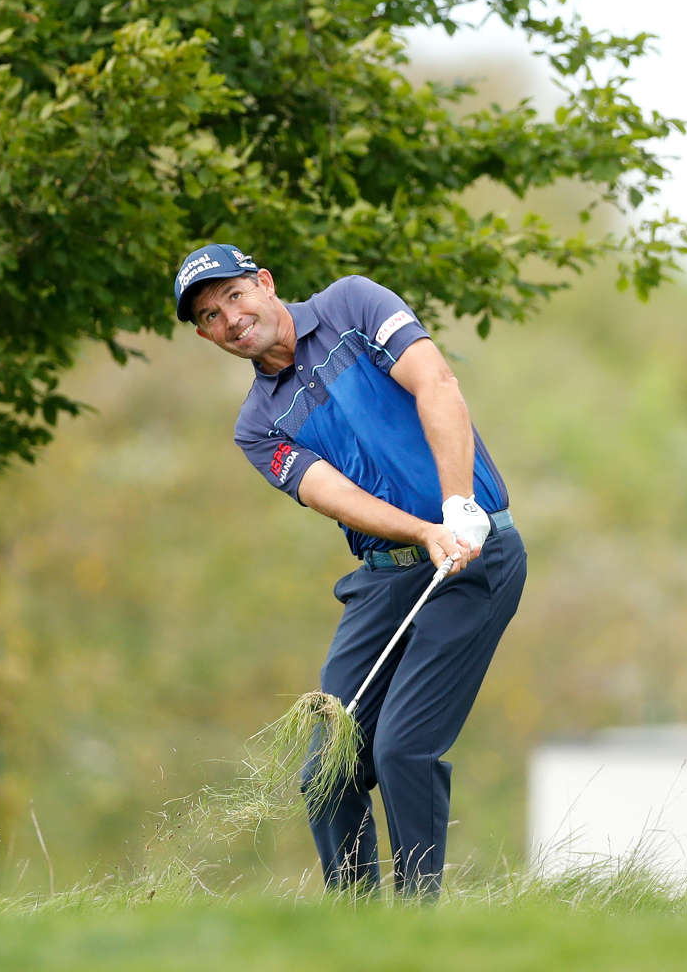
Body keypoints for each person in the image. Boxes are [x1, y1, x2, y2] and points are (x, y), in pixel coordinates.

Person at [173, 243, 527, 896]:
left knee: (402, 749)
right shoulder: (258, 425)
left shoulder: (354, 305)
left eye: (234, 296)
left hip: (476, 557)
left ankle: (416, 922)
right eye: (210, 316)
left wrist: (457, 505)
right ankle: (355, 927)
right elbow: (334, 495)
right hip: (386, 574)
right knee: (327, 771)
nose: (231, 318)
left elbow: (436, 384)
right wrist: (423, 531)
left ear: (264, 283)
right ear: (205, 335)